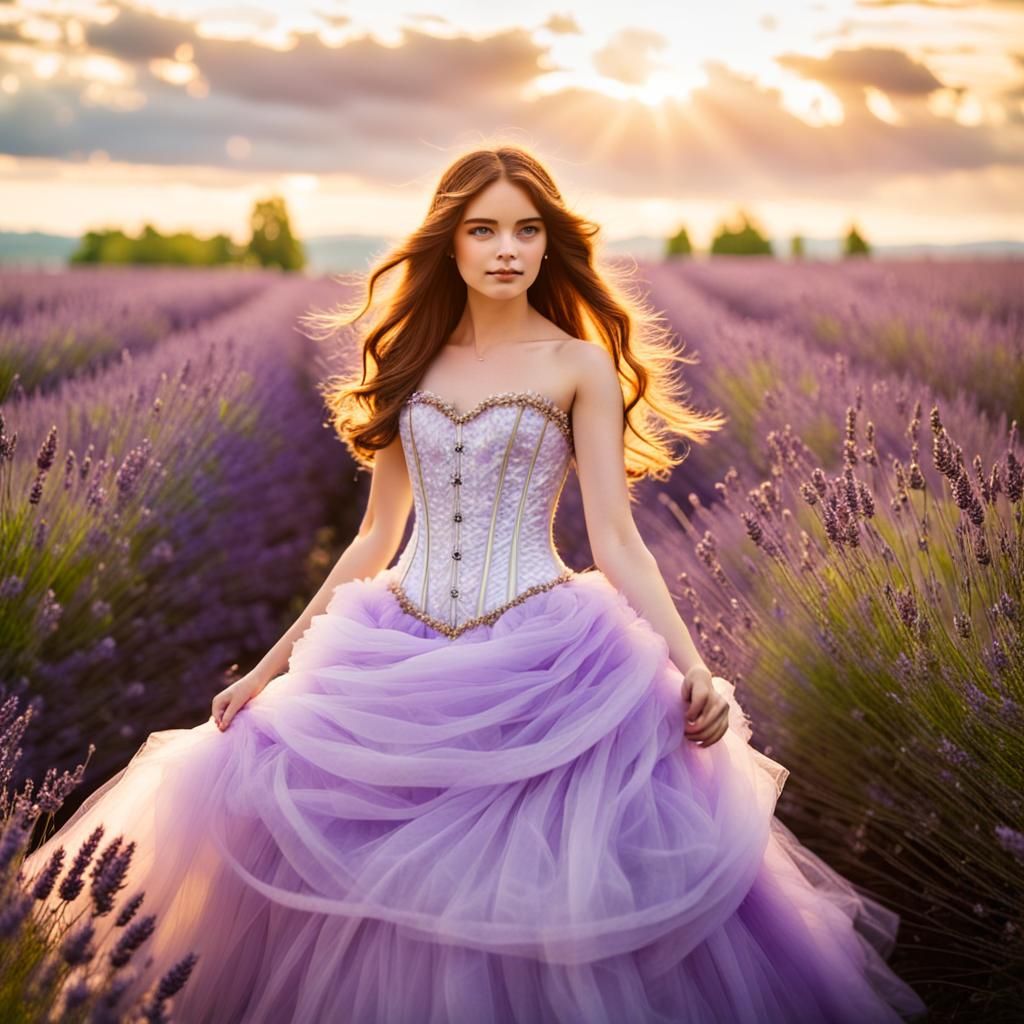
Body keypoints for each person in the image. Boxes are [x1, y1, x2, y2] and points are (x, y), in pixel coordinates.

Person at [20, 145, 928, 1023]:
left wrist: (693, 667)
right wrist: (266, 671)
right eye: (484, 230)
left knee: (535, 898)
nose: (506, 250)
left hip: (542, 657)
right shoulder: (409, 360)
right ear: (449, 241)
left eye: (527, 231)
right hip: (394, 647)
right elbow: (375, 537)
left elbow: (617, 538)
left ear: (549, 243)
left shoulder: (578, 364)